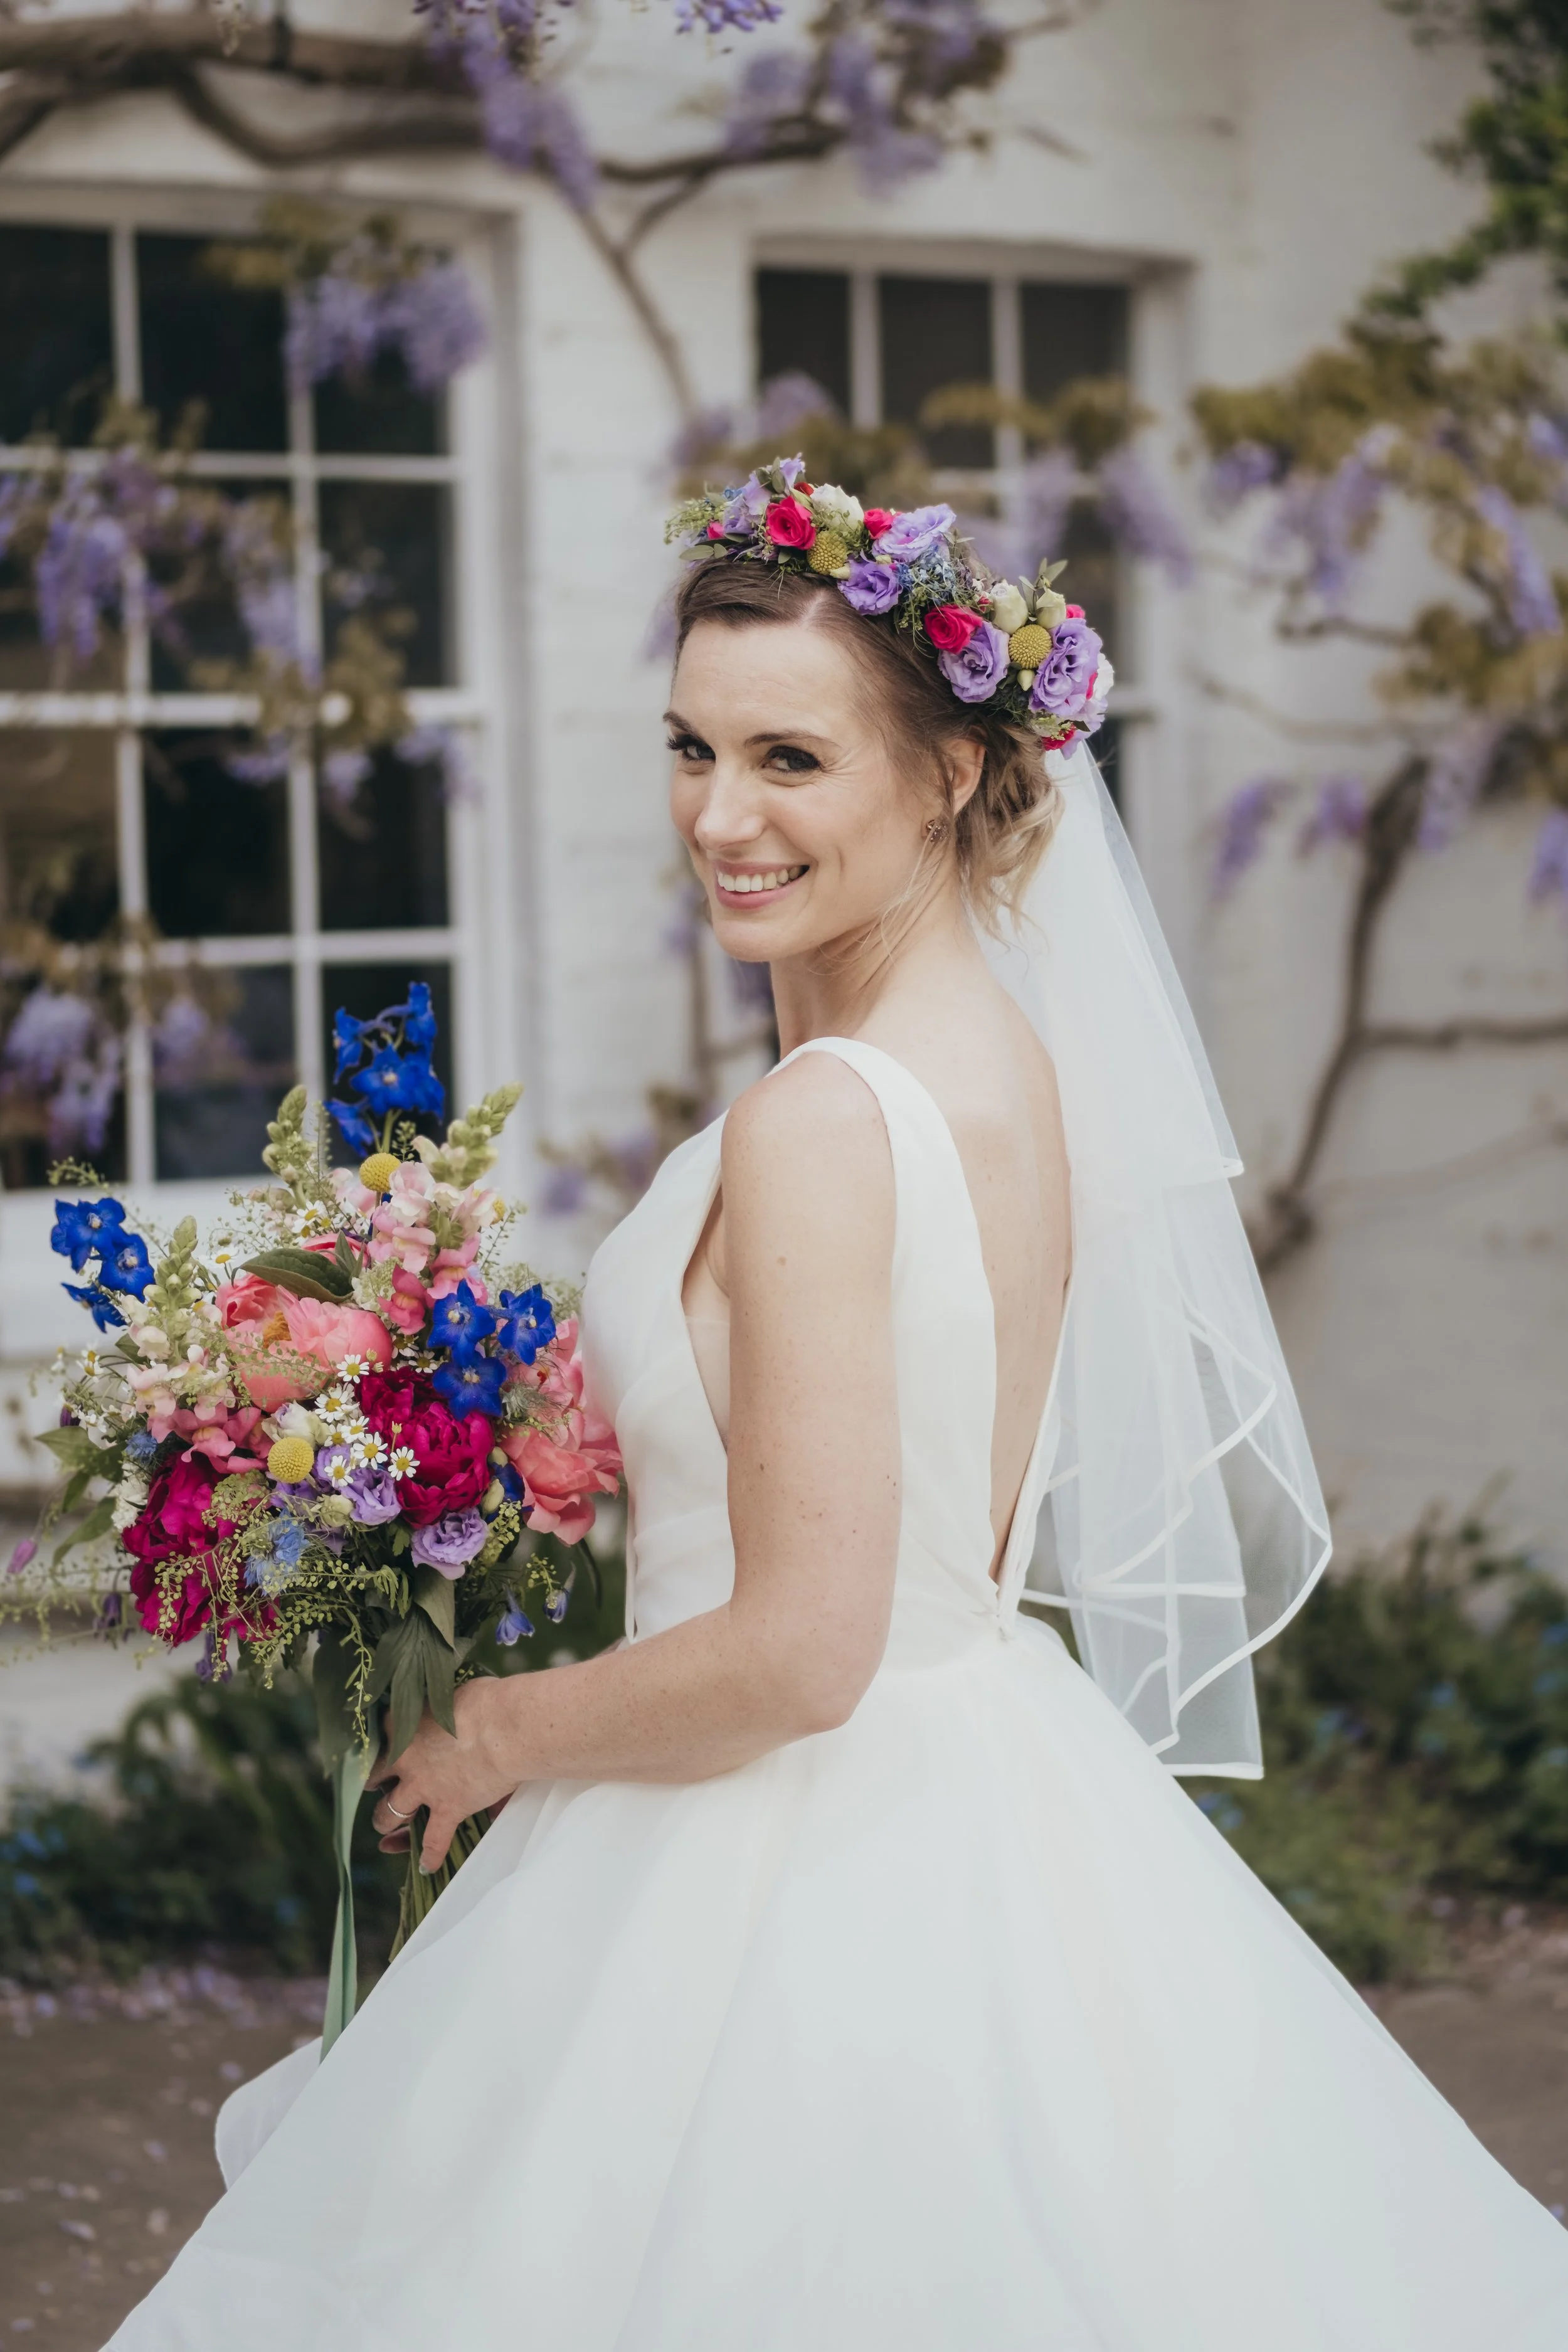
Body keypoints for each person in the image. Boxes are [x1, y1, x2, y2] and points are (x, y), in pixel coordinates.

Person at [107, 475, 1568, 2350]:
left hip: (783, 1843)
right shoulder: (999, 1060)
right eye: (691, 747)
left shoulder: (824, 1119)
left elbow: (805, 1646)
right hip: (982, 1774)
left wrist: (487, 1733)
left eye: (790, 757)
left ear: (951, 772)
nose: (721, 815)